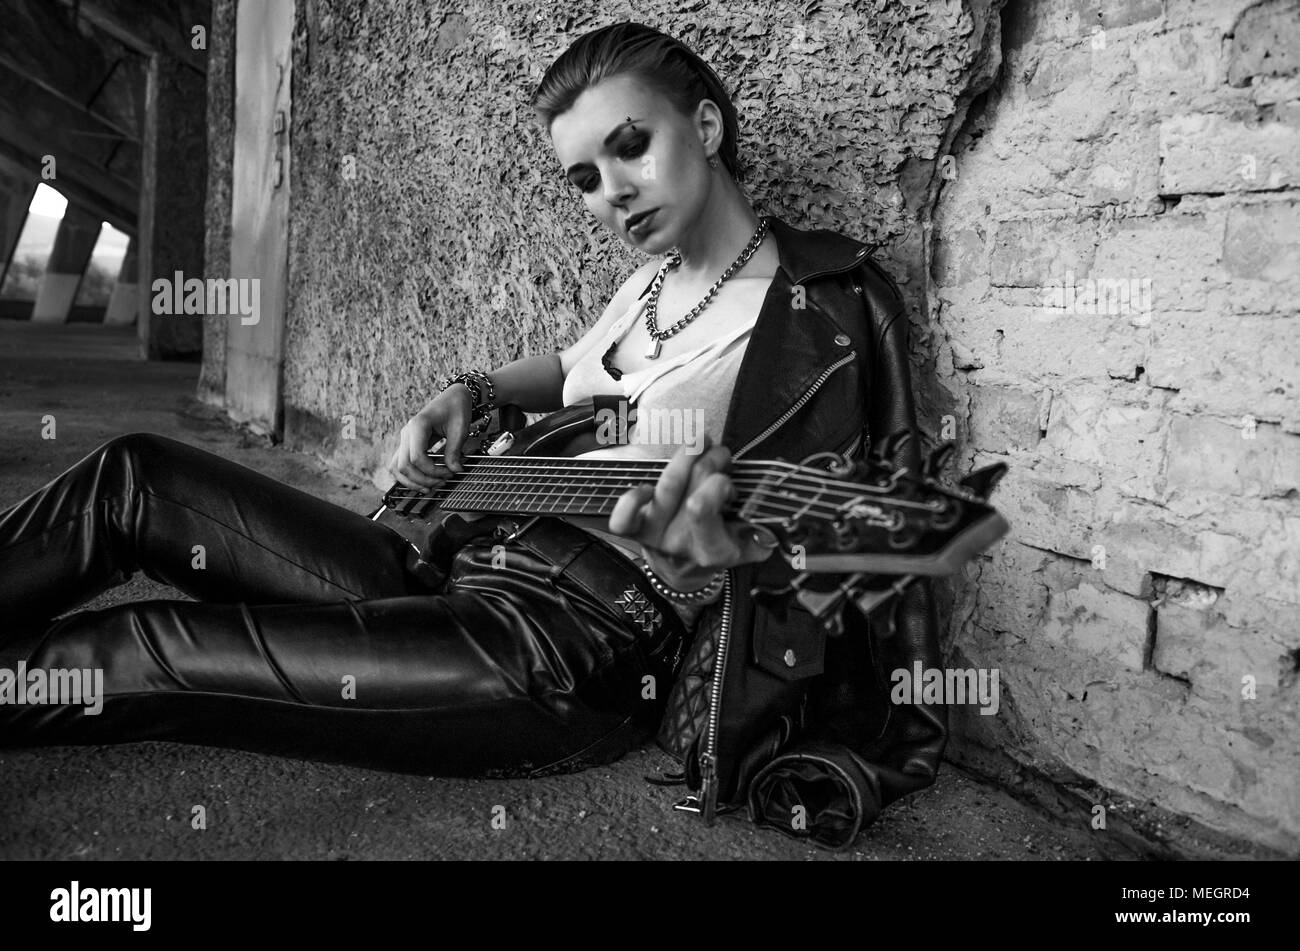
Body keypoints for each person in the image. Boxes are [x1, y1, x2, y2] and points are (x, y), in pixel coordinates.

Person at [0, 22, 944, 850]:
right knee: (135, 475)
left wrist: (732, 547)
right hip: (470, 560)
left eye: (632, 147)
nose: (613, 189)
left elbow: (852, 536)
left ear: (704, 127)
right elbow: (572, 365)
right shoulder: (651, 284)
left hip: (567, 649)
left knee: (139, 646)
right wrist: (470, 392)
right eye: (586, 176)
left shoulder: (819, 311)